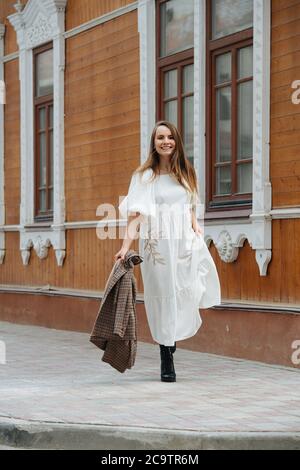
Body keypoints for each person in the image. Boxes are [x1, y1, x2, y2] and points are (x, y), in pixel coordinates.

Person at [115, 120, 221, 382]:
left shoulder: (186, 173)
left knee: (187, 288)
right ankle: (166, 354)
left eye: (170, 137)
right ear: (154, 142)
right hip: (158, 245)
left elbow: (190, 206)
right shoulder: (144, 177)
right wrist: (124, 247)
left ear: (176, 142)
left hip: (184, 241)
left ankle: (170, 336)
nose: (166, 141)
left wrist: (196, 227)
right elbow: (136, 217)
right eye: (160, 137)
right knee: (162, 293)